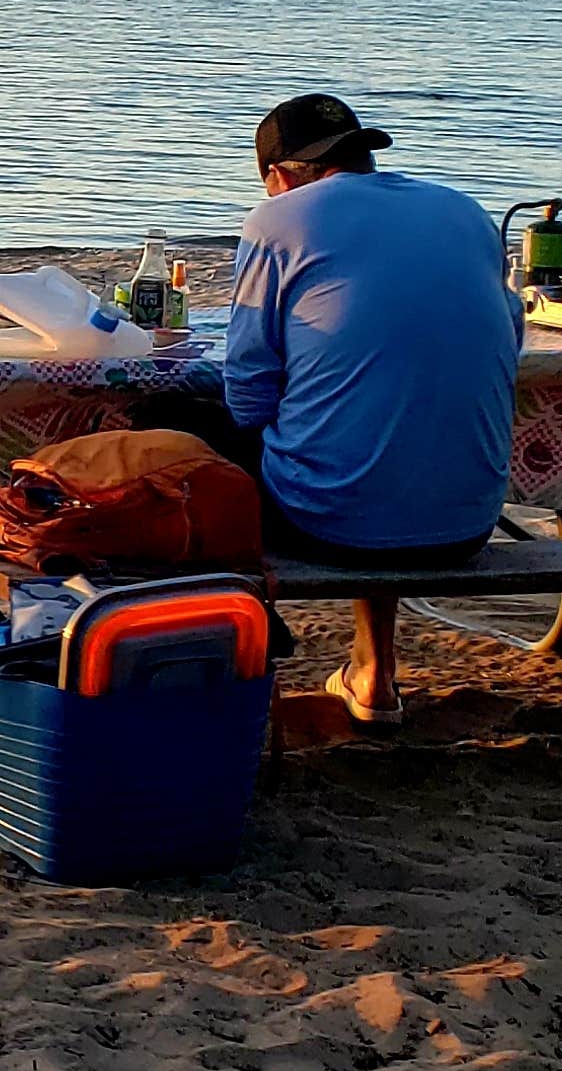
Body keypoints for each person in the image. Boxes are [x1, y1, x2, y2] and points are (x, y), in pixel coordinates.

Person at [220, 93, 520, 722]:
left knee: (186, 436)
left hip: (332, 523)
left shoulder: (278, 222)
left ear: (277, 177)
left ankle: (227, 682)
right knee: (366, 432)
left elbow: (247, 396)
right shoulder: (466, 213)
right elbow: (510, 340)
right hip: (469, 522)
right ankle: (374, 673)